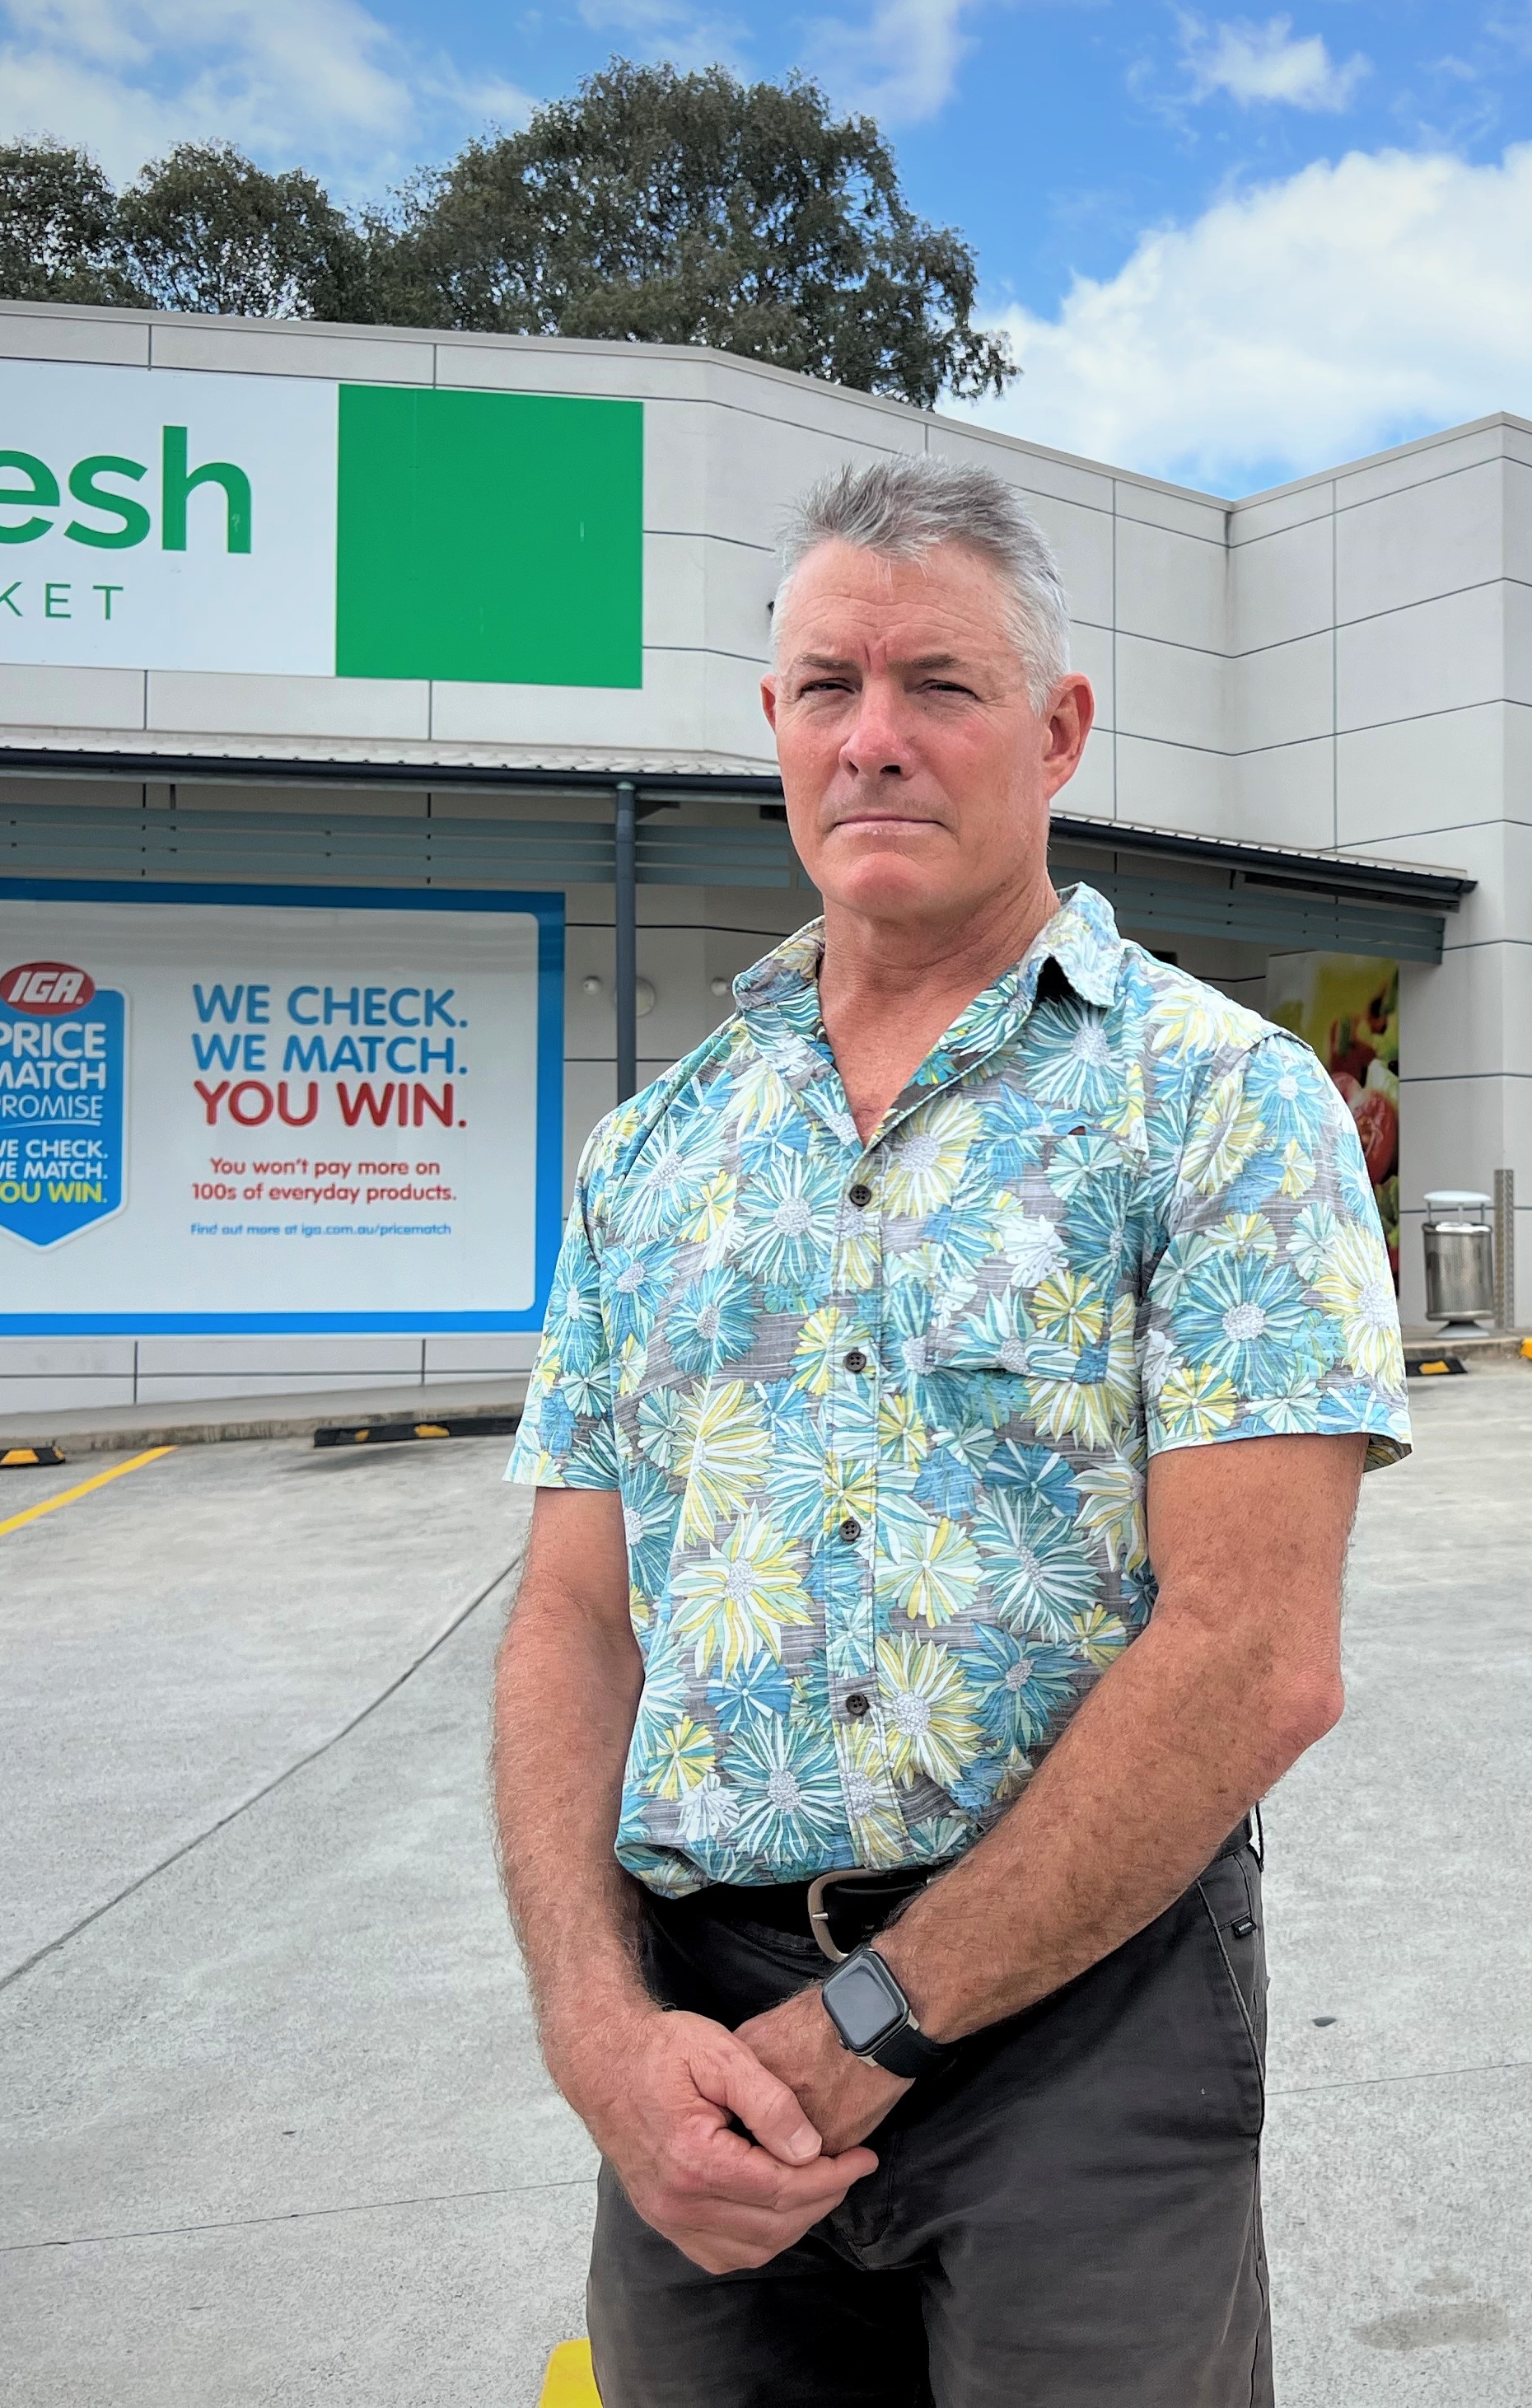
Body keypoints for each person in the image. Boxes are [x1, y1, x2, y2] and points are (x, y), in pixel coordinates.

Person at [492, 455, 1410, 2405]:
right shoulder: (653, 1153)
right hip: (698, 2049)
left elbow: (1257, 1656)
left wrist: (872, 2026)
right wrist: (595, 2028)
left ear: (1060, 729)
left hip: (1087, 2031)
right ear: (773, 726)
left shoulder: (1220, 1107)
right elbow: (573, 1614)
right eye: (828, 687)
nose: (876, 739)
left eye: (942, 687)